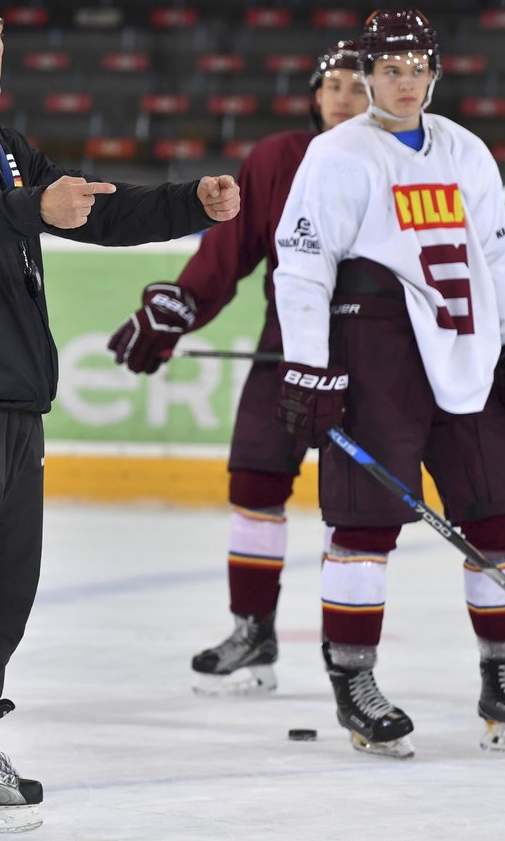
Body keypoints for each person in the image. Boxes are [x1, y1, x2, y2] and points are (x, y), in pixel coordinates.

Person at [0, 0, 239, 841]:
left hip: (15, 398)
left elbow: (87, 206)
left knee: (4, 592)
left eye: (1, 28)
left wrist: (190, 204)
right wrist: (31, 206)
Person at [272, 9, 505, 759]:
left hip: (465, 351)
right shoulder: (338, 154)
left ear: (436, 71)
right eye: (390, 70)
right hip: (375, 353)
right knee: (365, 524)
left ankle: (503, 679)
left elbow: (495, 260)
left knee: (500, 516)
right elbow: (303, 267)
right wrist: (309, 362)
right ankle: (355, 685)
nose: (405, 83)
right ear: (367, 75)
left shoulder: (466, 150)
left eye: (417, 68)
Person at [107, 40, 367, 695]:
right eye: (333, 84)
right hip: (286, 348)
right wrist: (178, 309)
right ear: (314, 94)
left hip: (373, 360)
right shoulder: (277, 159)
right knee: (254, 484)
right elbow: (225, 256)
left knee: (359, 511)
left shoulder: (395, 163)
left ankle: (354, 658)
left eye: (359, 87)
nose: (344, 98)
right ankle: (254, 632)